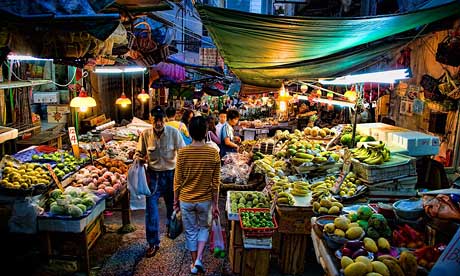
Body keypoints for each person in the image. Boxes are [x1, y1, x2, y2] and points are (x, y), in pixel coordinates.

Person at [134, 106, 186, 258]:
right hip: (153, 176)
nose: (158, 123)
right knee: (151, 211)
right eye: (155, 120)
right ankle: (152, 243)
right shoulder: (145, 134)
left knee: (173, 207)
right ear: (151, 120)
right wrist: (139, 158)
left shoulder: (174, 133)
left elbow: (182, 153)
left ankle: (172, 229)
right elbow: (139, 153)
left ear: (165, 120)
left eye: (160, 120)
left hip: (171, 175)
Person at [173, 116, 220, 274]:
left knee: (191, 231)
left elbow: (177, 181)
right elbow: (216, 183)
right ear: (206, 132)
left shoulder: (183, 153)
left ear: (190, 132)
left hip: (186, 200)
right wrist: (215, 204)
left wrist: (175, 202)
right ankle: (199, 258)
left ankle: (195, 263)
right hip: (205, 201)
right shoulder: (213, 153)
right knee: (203, 228)